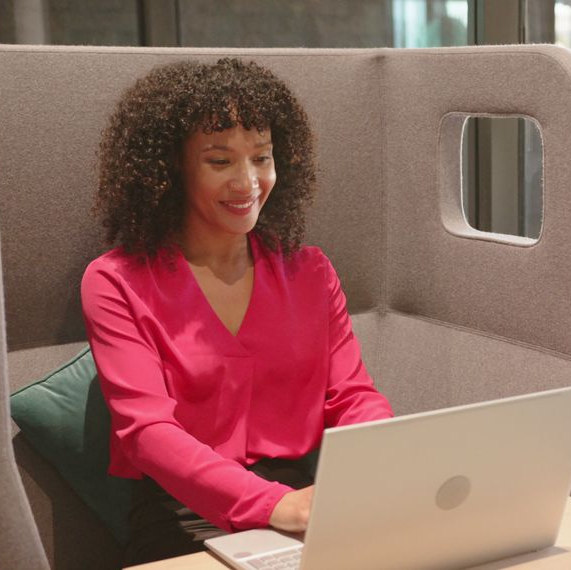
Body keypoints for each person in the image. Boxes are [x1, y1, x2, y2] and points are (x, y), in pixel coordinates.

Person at [80, 58, 393, 565]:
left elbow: (352, 396)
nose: (248, 182)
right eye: (220, 161)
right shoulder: (116, 282)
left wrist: (380, 459)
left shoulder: (309, 271)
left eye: (261, 158)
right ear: (172, 168)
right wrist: (275, 505)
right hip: (182, 516)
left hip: (305, 503)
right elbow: (148, 435)